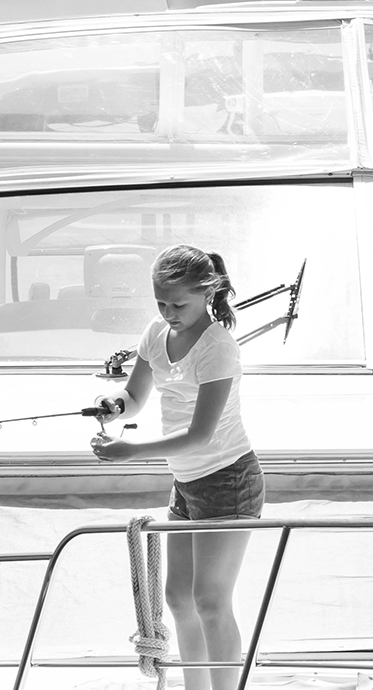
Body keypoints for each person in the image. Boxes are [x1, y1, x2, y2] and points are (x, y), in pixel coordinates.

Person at [91, 244, 262, 690]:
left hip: (228, 479)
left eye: (178, 304)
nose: (168, 312)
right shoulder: (155, 333)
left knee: (209, 600)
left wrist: (130, 451)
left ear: (206, 294)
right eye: (161, 302)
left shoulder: (218, 348)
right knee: (177, 598)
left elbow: (201, 435)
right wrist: (112, 407)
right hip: (187, 482)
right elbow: (134, 398)